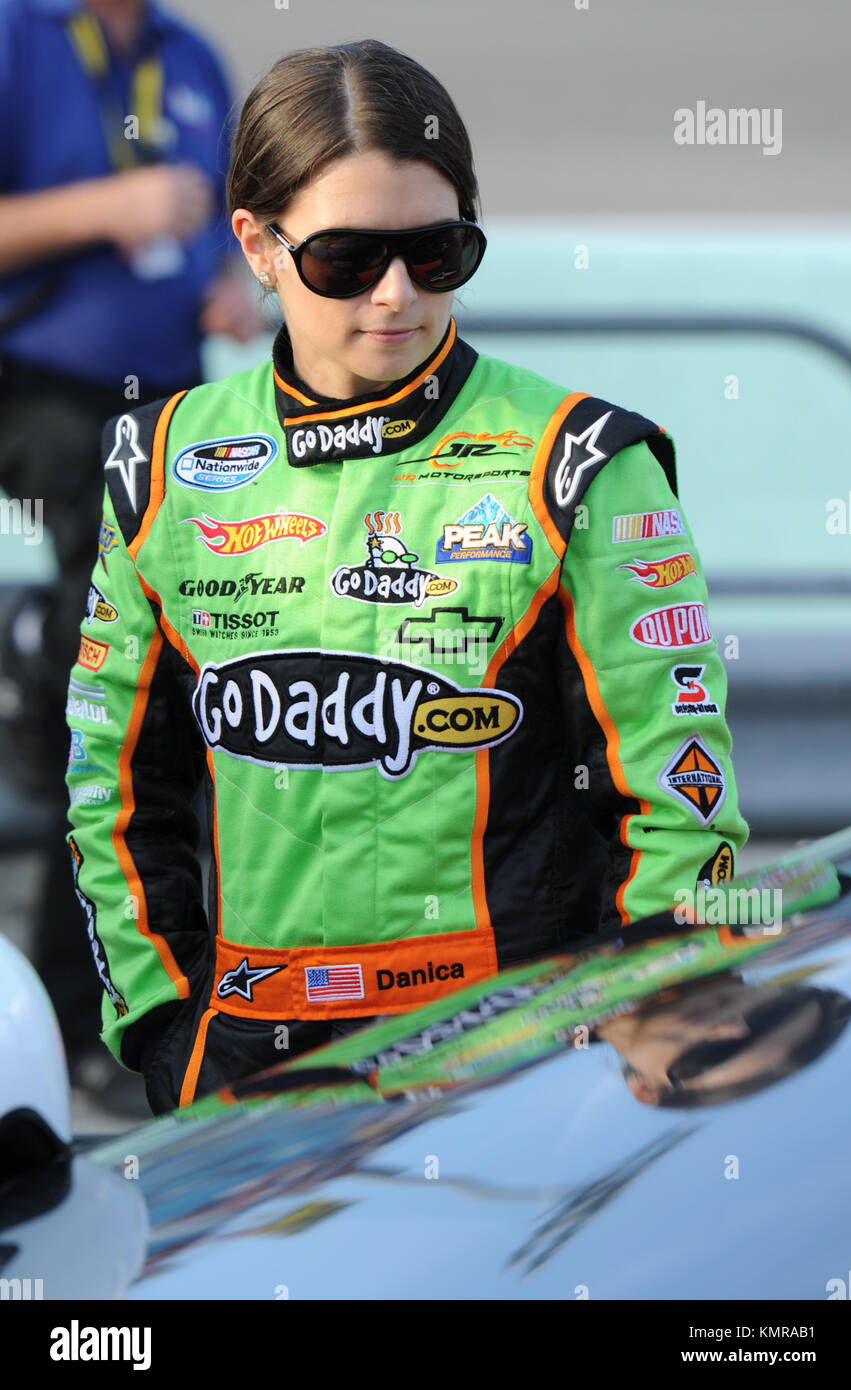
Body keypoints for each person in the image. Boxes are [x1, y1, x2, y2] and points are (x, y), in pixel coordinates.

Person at [65, 37, 750, 1116]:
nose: (394, 294)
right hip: (251, 1073)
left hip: (524, 1053)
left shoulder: (578, 462)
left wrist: (649, 1011)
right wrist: (162, 1031)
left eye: (436, 253)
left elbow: (679, 798)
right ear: (254, 243)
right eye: (345, 259)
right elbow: (111, 792)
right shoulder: (159, 469)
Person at [0, 0, 261, 1111]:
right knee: (90, 688)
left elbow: (232, 226)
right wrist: (104, 208)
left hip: (168, 406)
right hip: (38, 406)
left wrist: (238, 281)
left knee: (157, 696)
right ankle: (68, 1020)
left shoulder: (192, 55)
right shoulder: (18, 34)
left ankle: (115, 1012)